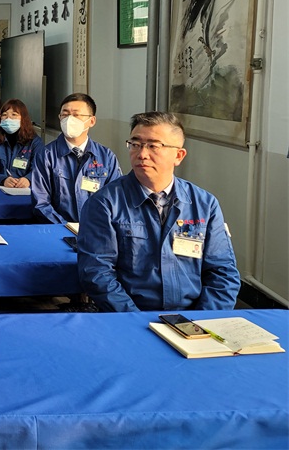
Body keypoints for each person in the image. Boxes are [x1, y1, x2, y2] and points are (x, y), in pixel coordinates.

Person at [77, 112, 241, 312]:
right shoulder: (105, 203)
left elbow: (223, 273)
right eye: (135, 144)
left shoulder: (204, 204)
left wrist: (200, 322)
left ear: (178, 156)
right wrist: (135, 319)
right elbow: (97, 273)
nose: (142, 154)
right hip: (130, 316)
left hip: (193, 317)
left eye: (153, 146)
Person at [30, 93, 121, 224]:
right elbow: (41, 203)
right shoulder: (46, 155)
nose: (69, 119)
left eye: (76, 115)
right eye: (65, 114)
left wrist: (96, 227)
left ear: (91, 121)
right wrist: (66, 226)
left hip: (97, 229)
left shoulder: (106, 157)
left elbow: (115, 199)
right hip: (58, 229)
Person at [0, 98, 44, 187]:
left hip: (25, 189)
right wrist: (2, 179)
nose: (8, 118)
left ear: (23, 118)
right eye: (4, 115)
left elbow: (40, 168)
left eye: (14, 114)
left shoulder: (34, 142)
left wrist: (28, 179)